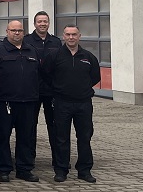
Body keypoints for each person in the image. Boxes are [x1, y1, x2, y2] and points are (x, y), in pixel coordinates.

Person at [42, 25, 101, 183]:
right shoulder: (55, 56)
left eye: (74, 34)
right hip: (62, 103)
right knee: (61, 138)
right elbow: (46, 75)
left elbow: (95, 77)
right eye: (68, 34)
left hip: (83, 103)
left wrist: (81, 89)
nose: (71, 37)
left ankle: (84, 170)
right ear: (63, 36)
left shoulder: (88, 57)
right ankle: (61, 170)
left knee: (85, 137)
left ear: (79, 36)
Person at [0, 20, 41, 183]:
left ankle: (24, 169)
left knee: (26, 137)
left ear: (24, 32)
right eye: (13, 30)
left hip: (28, 101)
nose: (17, 33)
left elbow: (39, 75)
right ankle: (4, 169)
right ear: (7, 32)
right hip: (4, 102)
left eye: (20, 30)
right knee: (2, 137)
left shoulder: (32, 50)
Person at [24, 11, 64, 174]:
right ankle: (29, 159)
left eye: (45, 21)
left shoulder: (55, 41)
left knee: (55, 126)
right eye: (39, 21)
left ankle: (58, 159)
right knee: (29, 126)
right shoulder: (26, 40)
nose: (42, 24)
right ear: (34, 24)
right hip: (31, 90)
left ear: (48, 24)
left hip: (51, 91)